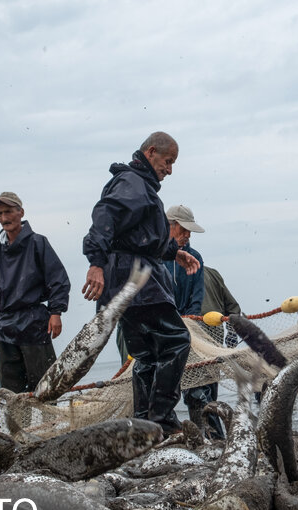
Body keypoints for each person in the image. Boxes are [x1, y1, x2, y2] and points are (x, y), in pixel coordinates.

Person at [82, 132, 200, 435]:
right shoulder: (133, 184)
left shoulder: (140, 186)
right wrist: (95, 262)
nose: (170, 169)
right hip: (136, 280)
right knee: (176, 341)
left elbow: (145, 238)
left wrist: (176, 254)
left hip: (127, 281)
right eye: (168, 161)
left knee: (147, 353)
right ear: (151, 152)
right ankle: (160, 418)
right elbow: (104, 214)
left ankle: (144, 421)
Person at [0, 192, 70, 393]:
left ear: (21, 212)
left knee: (45, 388)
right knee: (10, 391)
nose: (4, 218)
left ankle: (49, 425)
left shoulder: (38, 243)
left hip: (34, 324)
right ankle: (17, 426)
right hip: (4, 326)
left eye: (8, 212)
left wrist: (56, 312)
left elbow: (58, 280)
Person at [161, 204, 224, 438]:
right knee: (161, 389)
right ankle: (162, 435)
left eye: (190, 231)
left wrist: (189, 323)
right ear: (172, 226)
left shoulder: (195, 257)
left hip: (188, 329)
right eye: (185, 230)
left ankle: (214, 440)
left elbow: (197, 296)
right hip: (162, 329)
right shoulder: (155, 256)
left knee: (198, 388)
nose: (187, 235)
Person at [201, 266, 242, 347]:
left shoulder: (174, 274)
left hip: (192, 328)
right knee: (214, 357)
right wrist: (232, 333)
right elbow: (232, 307)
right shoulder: (212, 273)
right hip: (216, 327)